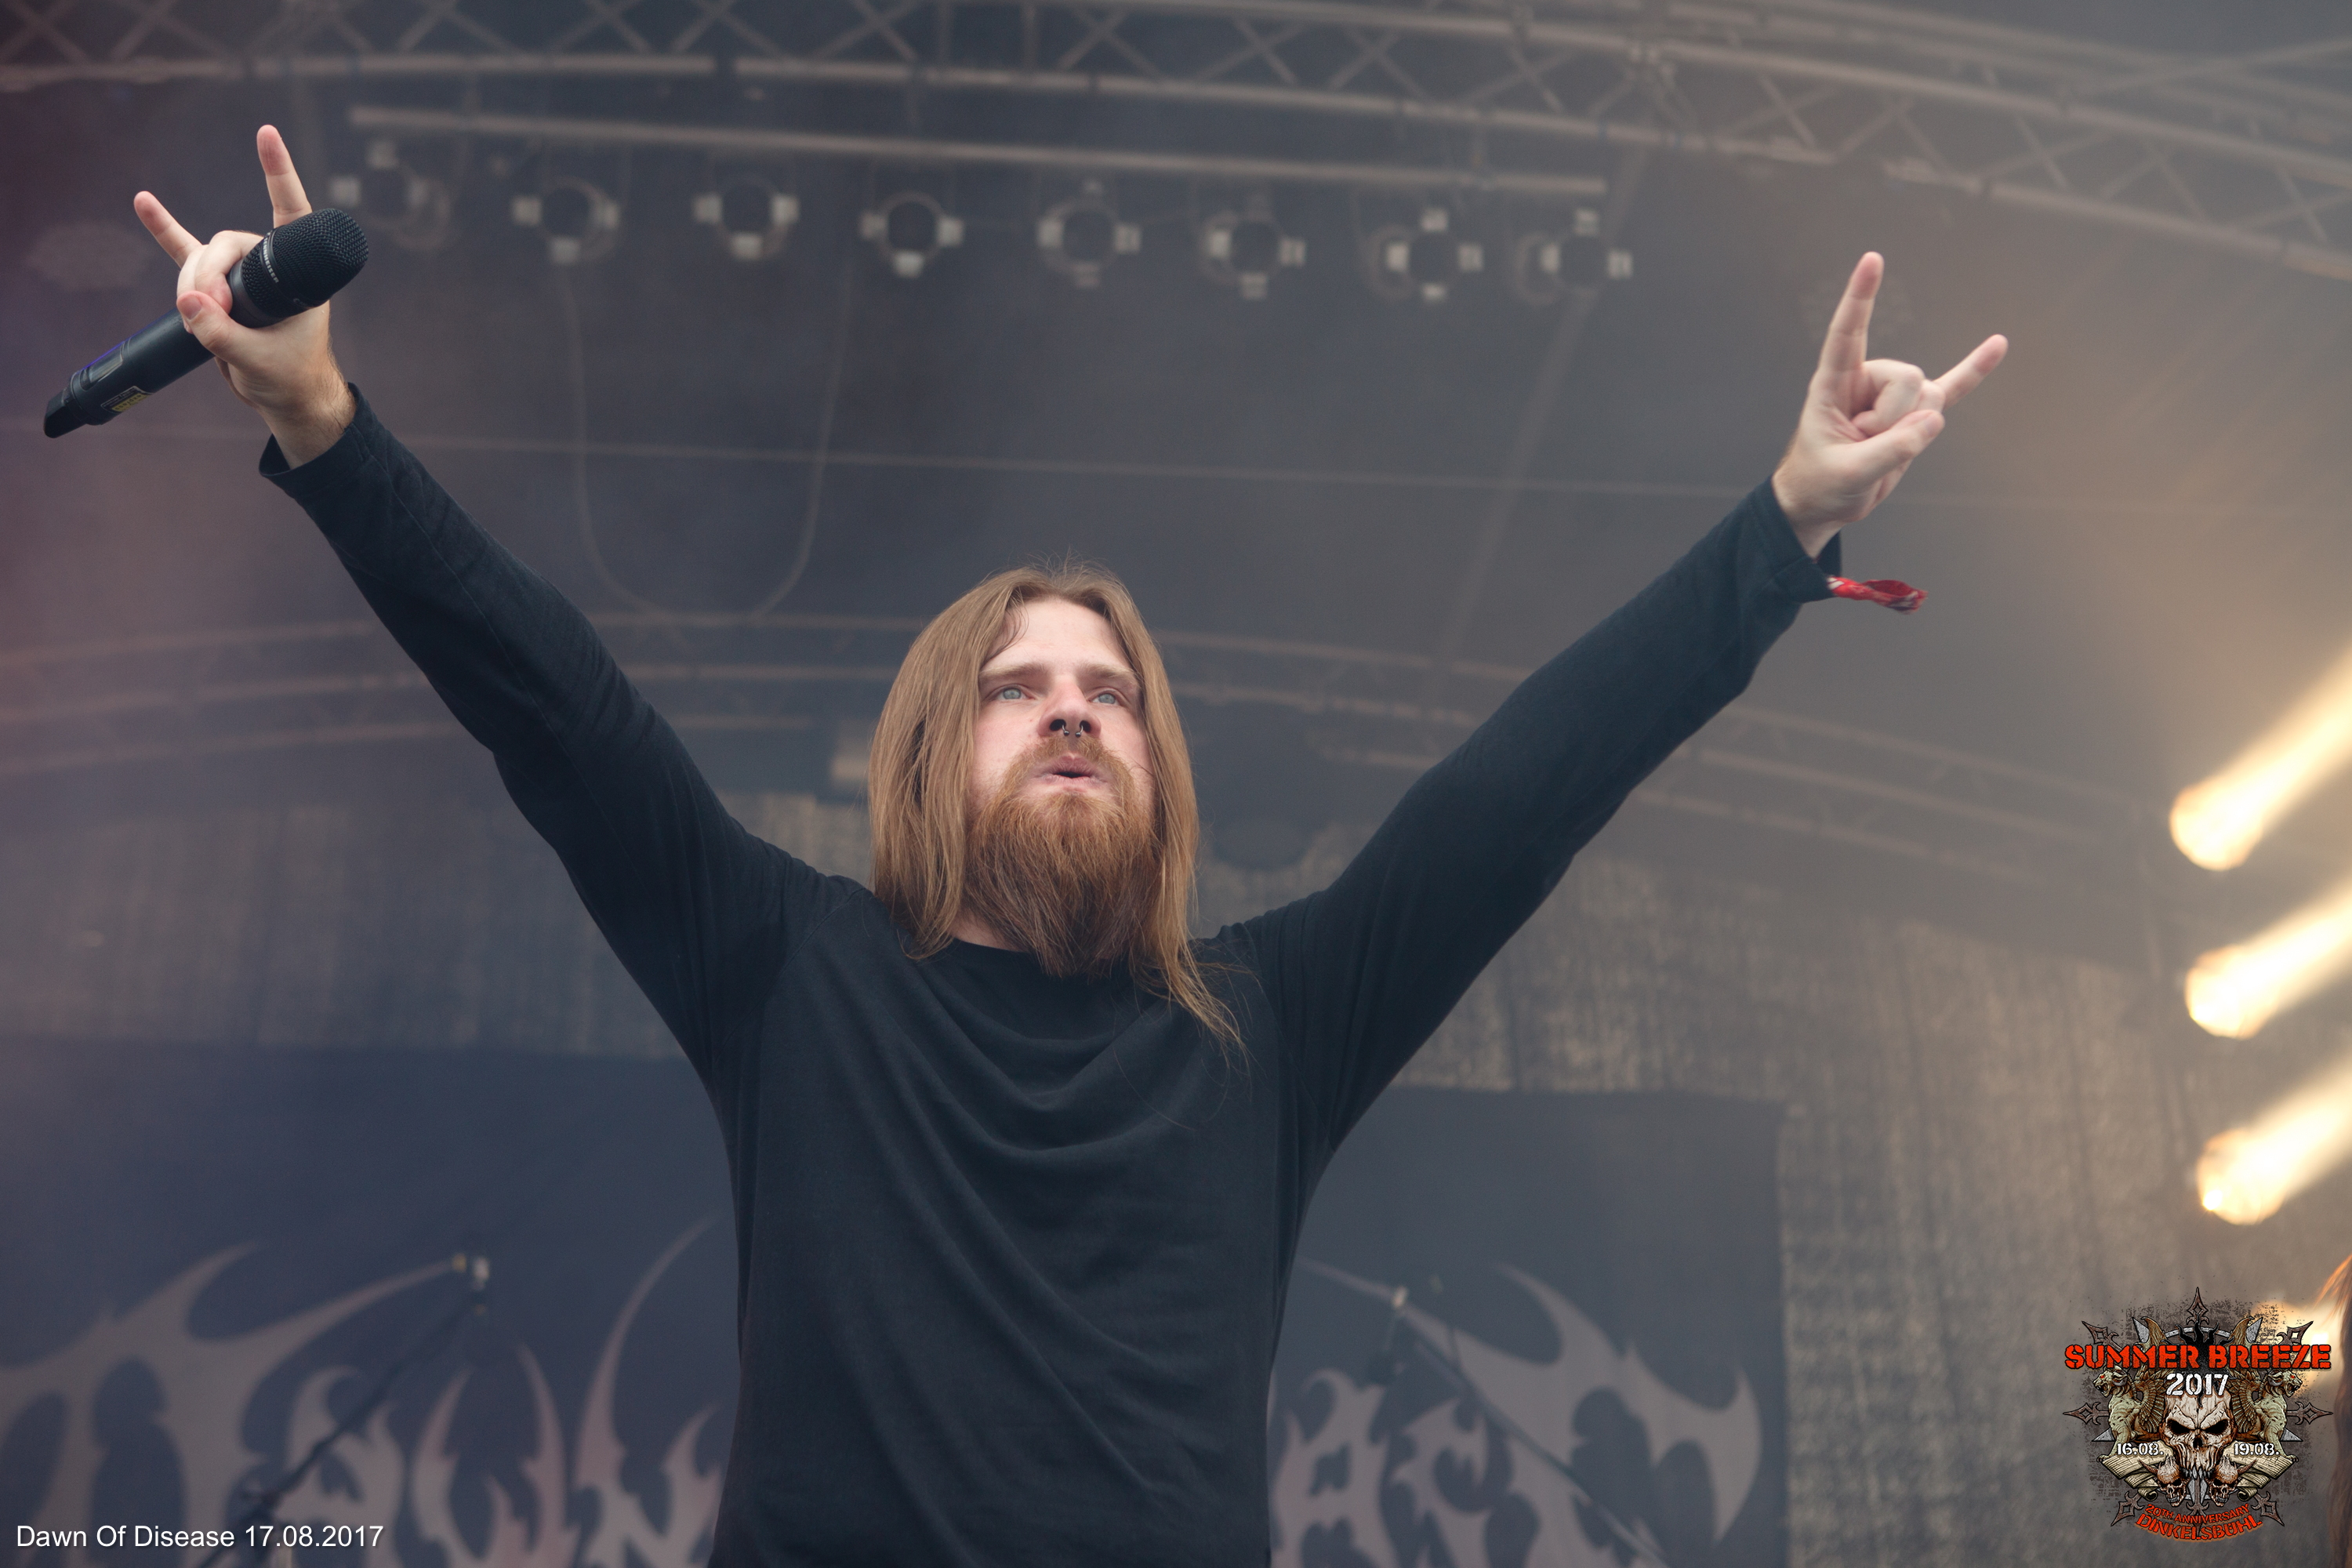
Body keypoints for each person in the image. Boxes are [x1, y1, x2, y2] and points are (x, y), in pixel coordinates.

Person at [134, 126, 2004, 1567]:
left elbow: (1523, 792)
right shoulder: (791, 970)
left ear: (1159, 766)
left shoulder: (1267, 1026)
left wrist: (1782, 525)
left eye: (1109, 690)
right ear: (931, 756)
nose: (1072, 709)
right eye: (1020, 686)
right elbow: (553, 706)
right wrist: (322, 421)